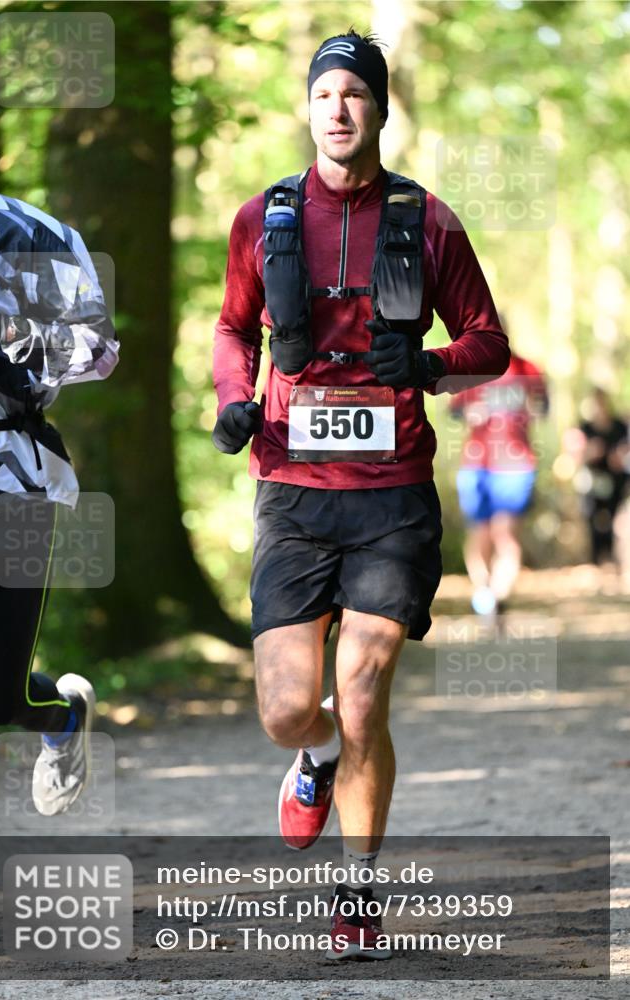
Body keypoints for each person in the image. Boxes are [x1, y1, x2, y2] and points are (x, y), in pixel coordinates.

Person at [212, 32, 509, 960]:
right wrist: (232, 400)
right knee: (286, 710)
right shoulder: (263, 219)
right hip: (292, 491)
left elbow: (488, 341)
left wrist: (426, 362)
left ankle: (356, 889)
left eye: (356, 94)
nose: (338, 108)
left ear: (380, 111)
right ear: (308, 109)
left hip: (391, 495)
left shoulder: (429, 221)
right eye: (325, 93)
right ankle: (315, 756)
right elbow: (231, 327)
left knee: (364, 687)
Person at [0, 85, 118, 815]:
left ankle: (61, 719)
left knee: (1, 695)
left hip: (15, 481)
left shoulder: (26, 234)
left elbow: (95, 351)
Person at [451, 346, 547, 616]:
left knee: (506, 534)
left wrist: (530, 409)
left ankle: (499, 597)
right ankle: (484, 592)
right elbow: (455, 411)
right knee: (480, 533)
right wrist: (471, 412)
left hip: (516, 465)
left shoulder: (527, 368)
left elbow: (543, 407)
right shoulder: (470, 370)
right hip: (477, 464)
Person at [570, 388, 629, 569]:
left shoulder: (620, 426)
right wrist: (589, 453)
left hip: (616, 480)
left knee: (613, 518)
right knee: (592, 518)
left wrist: (620, 456)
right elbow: (575, 456)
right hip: (592, 481)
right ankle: (596, 559)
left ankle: (610, 558)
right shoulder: (585, 428)